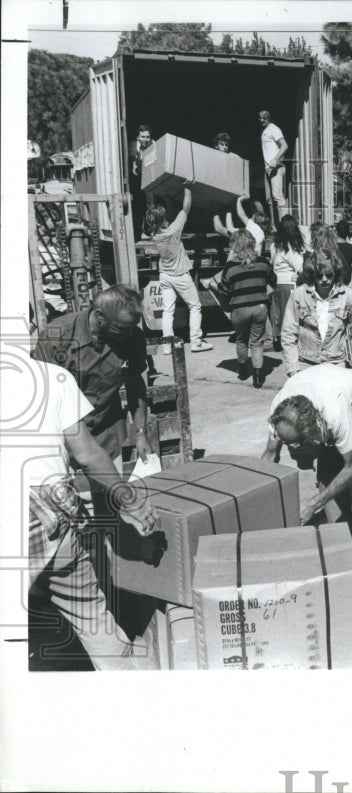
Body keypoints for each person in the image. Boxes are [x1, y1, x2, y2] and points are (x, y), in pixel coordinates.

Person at [23, 359, 158, 670]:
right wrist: (132, 501)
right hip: (50, 510)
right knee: (92, 618)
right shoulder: (52, 377)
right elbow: (87, 454)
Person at [261, 365, 352, 597]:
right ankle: (339, 548)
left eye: (297, 444)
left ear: (312, 430)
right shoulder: (278, 410)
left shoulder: (334, 412)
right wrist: (257, 498)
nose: (293, 450)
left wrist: (314, 504)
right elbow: (269, 455)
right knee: (326, 481)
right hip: (333, 405)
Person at [32, 285, 152, 468]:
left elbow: (135, 384)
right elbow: (41, 397)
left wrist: (141, 433)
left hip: (107, 434)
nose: (129, 335)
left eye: (131, 328)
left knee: (109, 492)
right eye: (121, 329)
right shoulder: (56, 337)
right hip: (65, 439)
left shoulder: (133, 337)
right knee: (68, 495)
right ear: (100, 316)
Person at [142, 187, 213, 353]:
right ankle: (196, 342)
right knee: (195, 306)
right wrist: (188, 188)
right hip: (180, 275)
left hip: (165, 276)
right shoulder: (174, 230)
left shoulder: (155, 235)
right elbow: (186, 209)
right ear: (163, 220)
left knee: (168, 310)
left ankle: (167, 345)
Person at [281, 248, 352, 375]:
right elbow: (288, 333)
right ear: (312, 273)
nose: (324, 279)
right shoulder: (299, 295)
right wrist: (292, 368)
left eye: (329, 275)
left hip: (336, 365)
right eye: (319, 275)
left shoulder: (349, 297)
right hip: (305, 365)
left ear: (336, 273)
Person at [221, 229, 273, 388]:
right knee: (257, 342)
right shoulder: (263, 262)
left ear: (235, 246)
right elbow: (273, 279)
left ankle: (243, 370)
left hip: (239, 309)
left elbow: (224, 290)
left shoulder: (230, 267)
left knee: (241, 340)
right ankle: (257, 376)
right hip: (260, 308)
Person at [270, 214, 308, 351]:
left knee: (278, 313)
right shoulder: (290, 248)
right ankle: (291, 341)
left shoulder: (275, 245)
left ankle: (279, 338)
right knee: (290, 315)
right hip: (289, 284)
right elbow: (301, 267)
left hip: (277, 283)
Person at [258, 109, 289, 220]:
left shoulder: (274, 129)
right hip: (267, 168)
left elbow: (284, 145)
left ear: (269, 118)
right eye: (260, 118)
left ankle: (286, 228)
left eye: (264, 118)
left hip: (276, 168)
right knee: (269, 200)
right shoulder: (264, 130)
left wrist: (276, 160)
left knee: (278, 198)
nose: (261, 120)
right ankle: (275, 227)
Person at [127, 124, 154, 240]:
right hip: (136, 179)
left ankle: (149, 231)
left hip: (149, 178)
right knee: (137, 205)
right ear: (138, 137)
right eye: (143, 137)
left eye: (147, 137)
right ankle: (136, 233)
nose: (145, 140)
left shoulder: (154, 144)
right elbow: (135, 158)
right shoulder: (134, 145)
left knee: (151, 205)